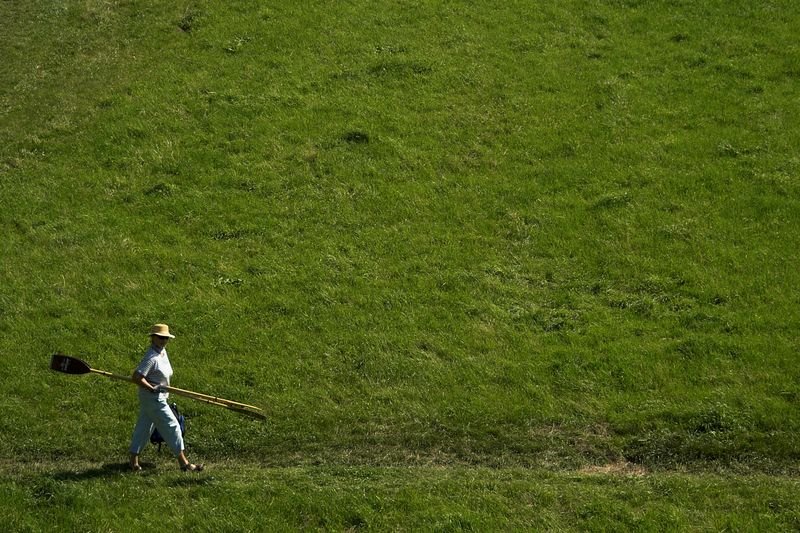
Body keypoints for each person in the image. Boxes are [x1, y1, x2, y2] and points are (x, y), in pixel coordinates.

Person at [128, 323, 204, 472]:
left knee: (144, 428)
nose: (163, 340)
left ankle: (133, 462)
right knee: (172, 426)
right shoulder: (152, 357)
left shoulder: (162, 353)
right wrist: (151, 388)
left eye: (165, 338)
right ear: (153, 338)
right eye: (160, 337)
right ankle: (185, 464)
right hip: (154, 399)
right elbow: (137, 376)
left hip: (154, 397)